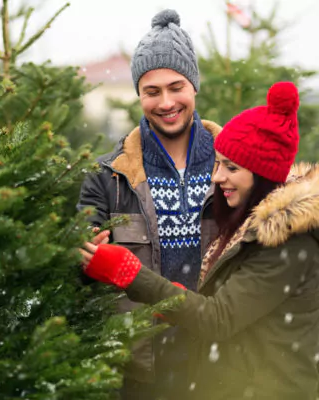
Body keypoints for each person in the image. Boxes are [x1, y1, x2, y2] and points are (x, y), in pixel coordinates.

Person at [80, 81, 319, 400]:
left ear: (262, 174)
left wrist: (130, 273)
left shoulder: (287, 242)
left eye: (231, 168)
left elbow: (218, 319)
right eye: (218, 164)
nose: (217, 177)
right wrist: (173, 302)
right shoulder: (249, 226)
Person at [77, 8, 221, 398]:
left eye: (176, 87)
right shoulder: (107, 177)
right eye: (152, 91)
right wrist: (87, 251)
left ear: (195, 85)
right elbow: (80, 258)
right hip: (141, 366)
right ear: (139, 94)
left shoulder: (233, 168)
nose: (166, 102)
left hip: (222, 362)